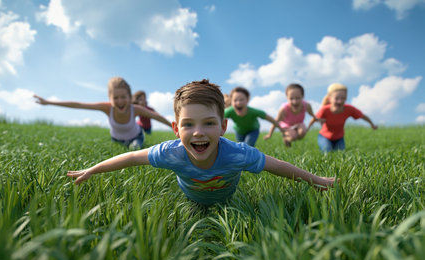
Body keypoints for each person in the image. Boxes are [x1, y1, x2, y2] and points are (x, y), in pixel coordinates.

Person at [67, 79, 335, 206]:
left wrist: (318, 180)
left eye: (208, 123)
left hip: (228, 199)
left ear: (223, 127)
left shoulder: (238, 153)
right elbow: (129, 158)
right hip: (191, 199)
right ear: (175, 129)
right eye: (188, 125)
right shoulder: (170, 153)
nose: (198, 133)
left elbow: (278, 166)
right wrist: (93, 169)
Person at [34, 77, 171, 149]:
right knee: (115, 150)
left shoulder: (135, 109)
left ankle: (135, 145)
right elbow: (78, 105)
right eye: (115, 98)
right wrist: (48, 102)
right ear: (109, 99)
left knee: (134, 148)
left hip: (136, 137)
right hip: (116, 139)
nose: (120, 101)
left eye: (123, 97)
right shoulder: (106, 108)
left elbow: (156, 116)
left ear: (130, 97)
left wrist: (175, 127)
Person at [310, 83, 378, 152]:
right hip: (325, 137)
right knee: (327, 151)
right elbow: (314, 119)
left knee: (341, 155)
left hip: (339, 138)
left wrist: (372, 124)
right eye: (337, 98)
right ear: (330, 98)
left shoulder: (349, 109)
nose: (340, 101)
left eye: (343, 98)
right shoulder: (325, 109)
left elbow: (363, 116)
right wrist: (307, 129)